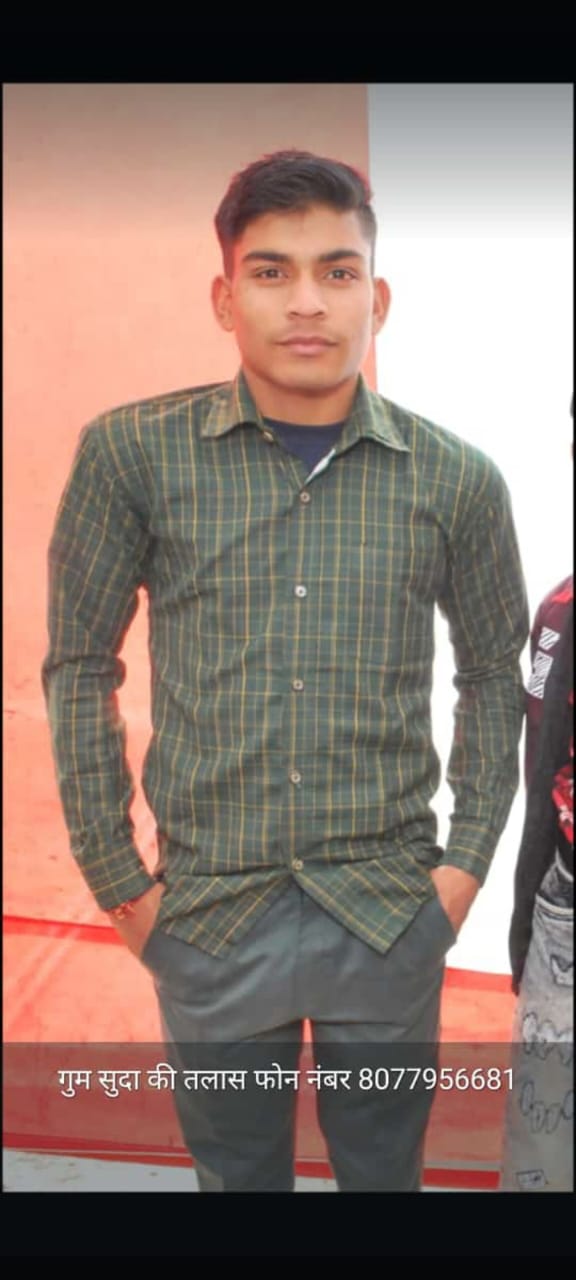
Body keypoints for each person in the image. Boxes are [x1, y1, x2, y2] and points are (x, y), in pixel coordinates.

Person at [42, 150, 529, 1192]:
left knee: (384, 1175)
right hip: (208, 915)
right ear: (225, 298)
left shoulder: (457, 480)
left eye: (337, 271)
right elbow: (79, 666)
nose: (307, 302)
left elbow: (494, 675)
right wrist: (123, 886)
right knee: (237, 1177)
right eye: (271, 271)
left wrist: (460, 874)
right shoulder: (133, 455)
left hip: (388, 910)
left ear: (376, 298)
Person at [501, 541, 573, 1192]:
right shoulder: (562, 610)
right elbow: (544, 763)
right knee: (544, 1160)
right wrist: (526, 918)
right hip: (566, 910)